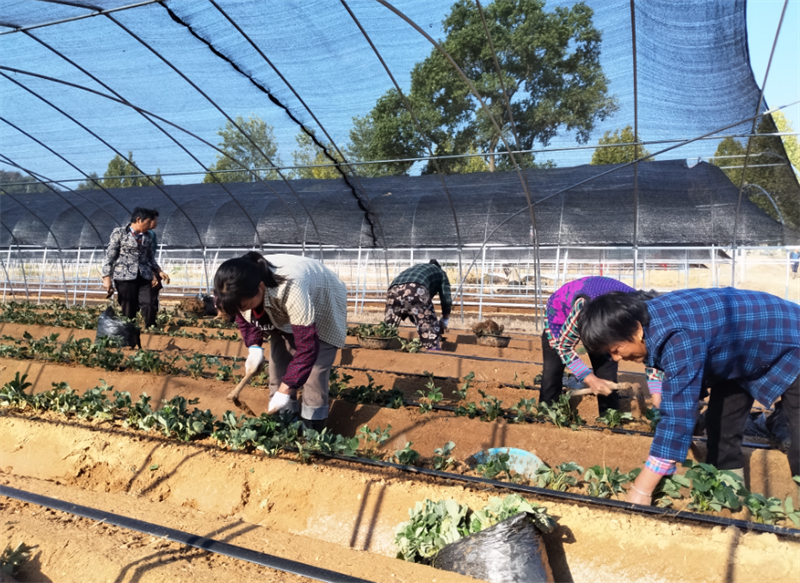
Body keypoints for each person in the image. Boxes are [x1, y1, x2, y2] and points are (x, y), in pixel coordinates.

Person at [578, 288, 800, 505]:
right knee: (721, 424)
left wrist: (642, 488)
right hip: (739, 349)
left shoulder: (677, 336)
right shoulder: (647, 320)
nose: (616, 358)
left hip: (788, 337)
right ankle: (730, 498)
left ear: (637, 330)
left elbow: (677, 417)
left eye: (617, 349)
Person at [214, 252, 347, 431]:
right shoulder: (230, 289)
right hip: (280, 308)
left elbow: (307, 348)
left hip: (323, 299)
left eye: (244, 305)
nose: (240, 310)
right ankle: (285, 425)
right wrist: (254, 347)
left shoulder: (290, 287)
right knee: (278, 367)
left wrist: (285, 391)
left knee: (314, 371)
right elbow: (244, 316)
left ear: (260, 287)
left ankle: (313, 430)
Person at [542, 276, 662, 415]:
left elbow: (650, 355)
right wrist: (589, 378)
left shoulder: (638, 313)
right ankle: (547, 412)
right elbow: (563, 347)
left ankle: (609, 418)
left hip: (605, 319)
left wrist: (657, 401)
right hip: (561, 314)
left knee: (606, 371)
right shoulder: (585, 306)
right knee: (553, 368)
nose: (617, 357)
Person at [101, 207, 170, 329]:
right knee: (128, 307)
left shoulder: (148, 236)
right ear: (138, 220)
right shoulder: (120, 233)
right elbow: (110, 256)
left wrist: (159, 271)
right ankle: (128, 332)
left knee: (149, 303)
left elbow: (150, 258)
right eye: (148, 222)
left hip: (144, 275)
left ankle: (150, 328)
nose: (150, 225)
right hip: (124, 277)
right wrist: (107, 277)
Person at [385, 259, 451, 350]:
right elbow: (446, 297)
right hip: (415, 288)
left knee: (389, 323)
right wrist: (445, 318)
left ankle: (381, 341)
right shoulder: (441, 273)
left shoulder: (416, 267)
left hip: (393, 289)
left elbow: (413, 310)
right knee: (428, 323)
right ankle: (432, 348)